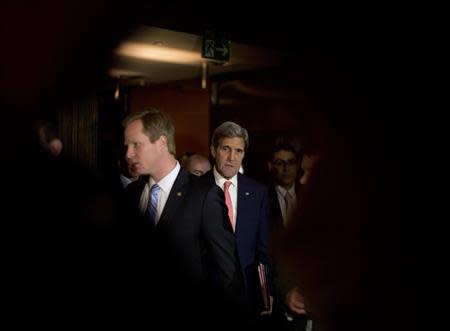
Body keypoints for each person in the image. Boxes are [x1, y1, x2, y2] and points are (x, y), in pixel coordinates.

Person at [118, 109, 244, 330]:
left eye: (136, 145)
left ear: (162, 143)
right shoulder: (131, 194)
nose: (128, 154)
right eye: (127, 146)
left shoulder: (204, 195)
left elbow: (226, 271)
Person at [204, 121, 272, 326]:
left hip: (247, 297)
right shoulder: (195, 188)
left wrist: (266, 289)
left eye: (238, 151)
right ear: (213, 150)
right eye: (226, 149)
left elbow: (264, 248)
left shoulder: (258, 192)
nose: (232, 158)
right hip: (206, 295)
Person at [266, 139, 312, 331]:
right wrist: (283, 291)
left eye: (291, 162)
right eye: (279, 162)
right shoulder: (261, 199)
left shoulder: (312, 195)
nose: (286, 168)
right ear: (270, 166)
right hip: (279, 297)